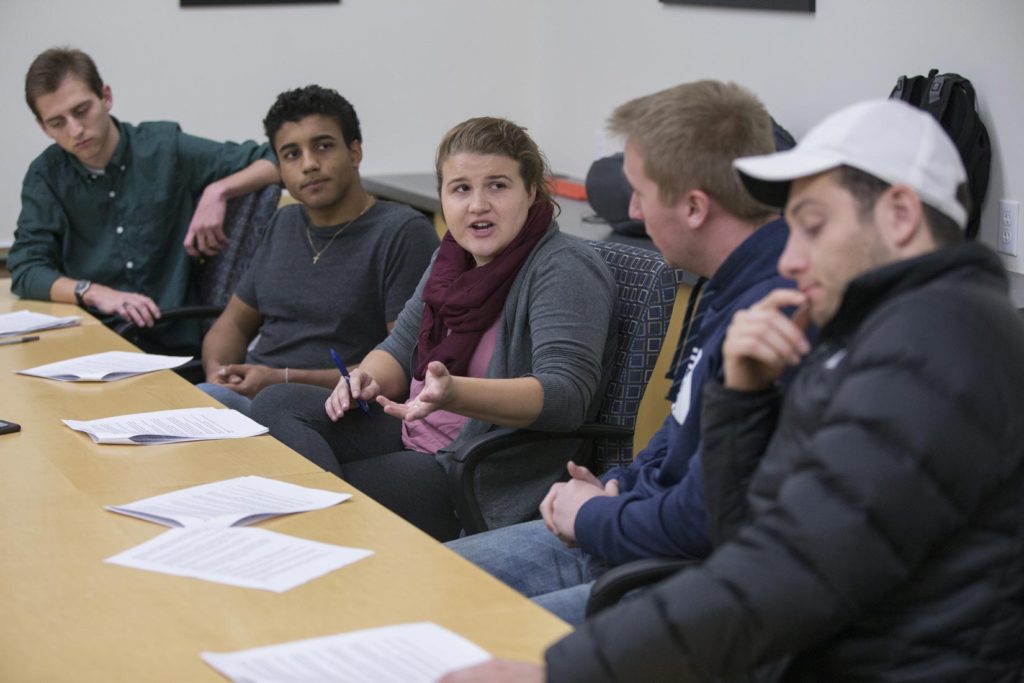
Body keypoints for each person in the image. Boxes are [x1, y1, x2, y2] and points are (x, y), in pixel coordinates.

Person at [444, 99, 1024, 682]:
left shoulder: (938, 345)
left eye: (814, 227)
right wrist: (739, 399)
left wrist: (558, 672)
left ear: (899, 214)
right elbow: (745, 522)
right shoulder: (876, 329)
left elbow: (789, 568)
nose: (790, 259)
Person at [446, 80, 793, 625]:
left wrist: (598, 517)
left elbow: (709, 520)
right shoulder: (721, 283)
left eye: (640, 193)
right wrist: (617, 487)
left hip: (680, 571)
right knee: (425, 586)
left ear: (695, 207)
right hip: (632, 524)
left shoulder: (774, 314)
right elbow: (674, 440)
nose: (630, 209)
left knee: (481, 632)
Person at [251, 116, 618, 541]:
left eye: (497, 185)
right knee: (276, 403)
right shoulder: (451, 260)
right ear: (442, 196)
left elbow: (565, 397)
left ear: (531, 191)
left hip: (475, 469)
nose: (477, 204)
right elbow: (399, 345)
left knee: (313, 488)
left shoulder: (563, 268)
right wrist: (365, 378)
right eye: (461, 188)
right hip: (415, 432)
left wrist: (455, 393)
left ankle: (326, 545)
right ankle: (327, 537)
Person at [7, 47, 279, 351]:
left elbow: (276, 158)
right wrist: (93, 292)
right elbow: (27, 268)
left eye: (82, 110)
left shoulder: (164, 148)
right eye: (57, 122)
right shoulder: (46, 175)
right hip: (88, 343)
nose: (76, 129)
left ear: (106, 97)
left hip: (172, 342)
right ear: (43, 127)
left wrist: (218, 190)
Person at [197, 86, 438, 415]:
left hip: (332, 411)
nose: (308, 164)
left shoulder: (402, 233)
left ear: (355, 152)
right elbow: (234, 324)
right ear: (281, 169)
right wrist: (217, 372)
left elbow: (405, 365)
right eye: (292, 154)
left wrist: (280, 380)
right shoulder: (283, 222)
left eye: (323, 146)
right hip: (252, 398)